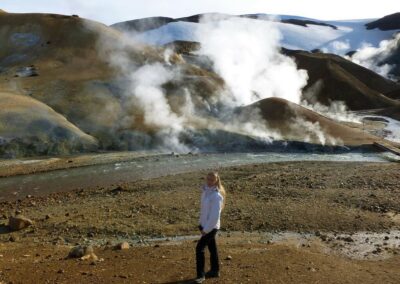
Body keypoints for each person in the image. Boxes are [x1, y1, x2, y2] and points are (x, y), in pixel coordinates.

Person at [194, 171, 226, 284]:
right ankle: (215, 270)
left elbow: (214, 217)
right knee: (212, 248)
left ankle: (200, 275)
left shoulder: (216, 196)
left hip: (211, 227)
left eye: (212, 180)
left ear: (216, 181)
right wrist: (200, 223)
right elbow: (204, 210)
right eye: (208, 179)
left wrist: (206, 230)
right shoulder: (205, 191)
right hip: (204, 225)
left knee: (199, 249)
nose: (209, 181)